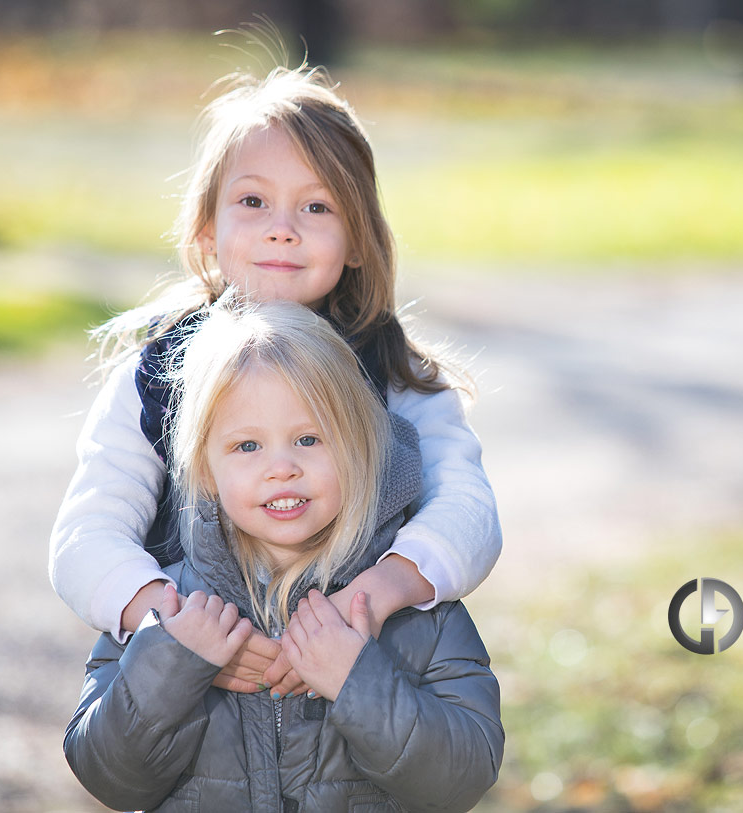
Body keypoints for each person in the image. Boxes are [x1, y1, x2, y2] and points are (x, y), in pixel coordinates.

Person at [49, 62, 501, 697]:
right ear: (207, 227)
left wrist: (376, 595)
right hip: (201, 713)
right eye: (253, 201)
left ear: (358, 241)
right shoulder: (155, 377)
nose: (281, 227)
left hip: (357, 692)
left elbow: (469, 511)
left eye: (317, 206)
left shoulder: (396, 374)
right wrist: (172, 627)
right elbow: (85, 535)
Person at [64, 299, 503, 811]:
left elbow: (464, 778)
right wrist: (172, 662)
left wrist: (355, 682)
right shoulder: (169, 606)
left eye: (309, 439)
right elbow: (110, 778)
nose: (281, 467)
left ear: (360, 451)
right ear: (205, 471)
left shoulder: (419, 612)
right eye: (247, 446)